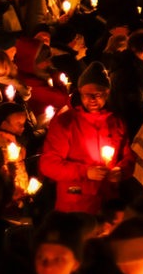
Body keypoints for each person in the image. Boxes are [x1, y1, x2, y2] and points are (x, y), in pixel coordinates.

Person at [39, 61, 132, 215]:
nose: (92, 99)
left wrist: (121, 171)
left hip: (108, 204)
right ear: (79, 92)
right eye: (86, 94)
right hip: (75, 205)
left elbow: (128, 156)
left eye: (98, 94)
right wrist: (85, 172)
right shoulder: (66, 122)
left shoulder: (116, 121)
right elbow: (48, 165)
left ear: (107, 93)